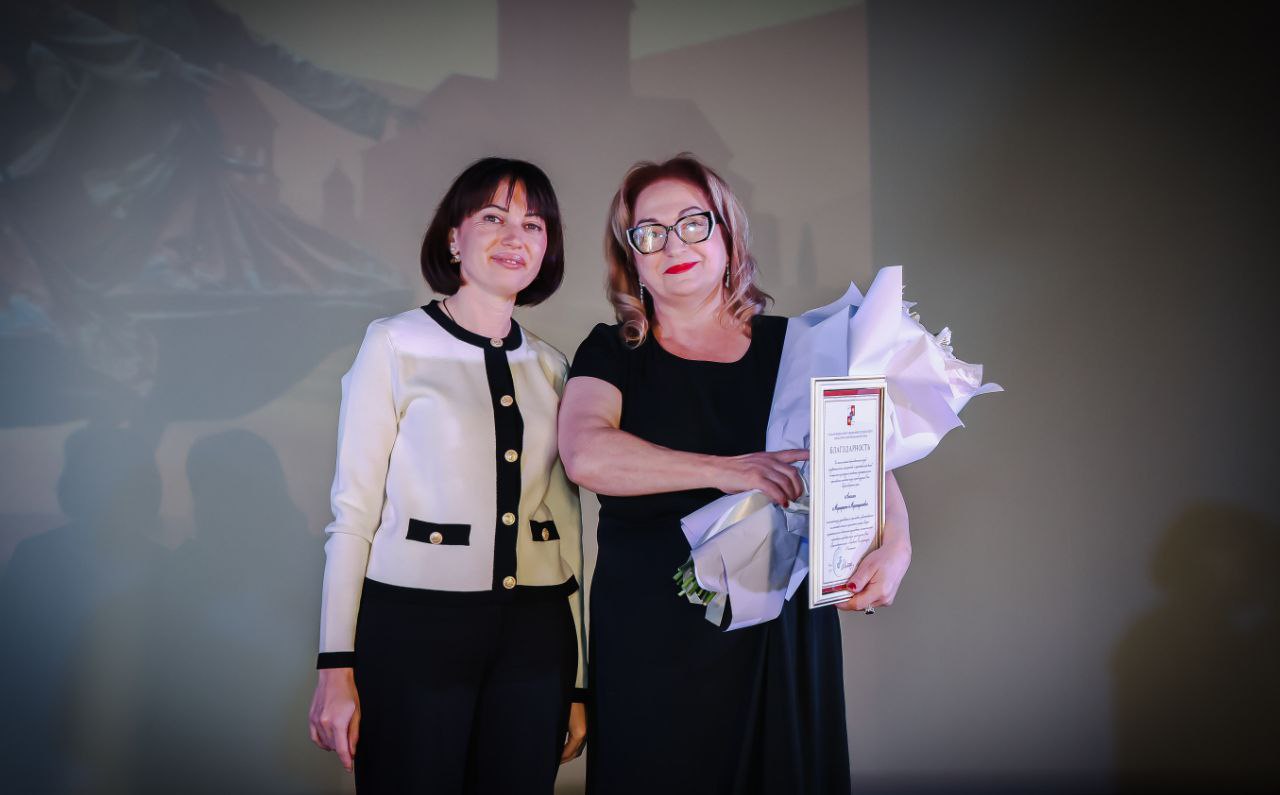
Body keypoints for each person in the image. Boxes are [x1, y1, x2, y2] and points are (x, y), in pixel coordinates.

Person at [558, 154, 913, 794]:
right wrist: (730, 470)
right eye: (650, 232)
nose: (674, 244)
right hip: (653, 641)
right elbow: (586, 454)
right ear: (631, 255)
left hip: (780, 635)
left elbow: (862, 456)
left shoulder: (795, 346)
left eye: (693, 223)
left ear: (727, 234)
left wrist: (898, 544)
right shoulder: (611, 352)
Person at [307, 158, 588, 793]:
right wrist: (335, 664)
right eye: (493, 217)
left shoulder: (553, 367)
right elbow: (353, 516)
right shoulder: (393, 344)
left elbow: (568, 537)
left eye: (534, 224)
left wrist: (578, 683)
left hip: (536, 640)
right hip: (413, 632)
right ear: (453, 238)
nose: (515, 237)